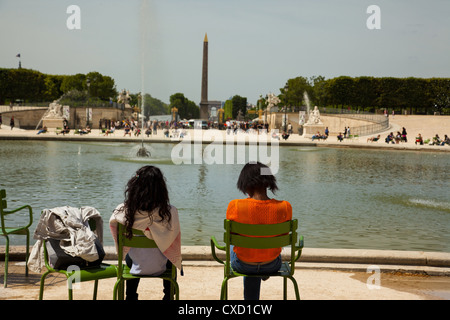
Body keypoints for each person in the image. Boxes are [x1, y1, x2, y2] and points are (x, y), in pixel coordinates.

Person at [109, 166, 182, 300]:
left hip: (134, 265)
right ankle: (168, 295)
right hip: (163, 264)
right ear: (161, 188)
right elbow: (174, 243)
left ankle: (130, 295)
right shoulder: (170, 212)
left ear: (134, 186)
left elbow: (114, 228)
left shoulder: (124, 211)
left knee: (132, 253)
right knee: (170, 255)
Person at [226, 162, 292, 300]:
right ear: (268, 182)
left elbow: (233, 235)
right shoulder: (285, 207)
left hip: (243, 265)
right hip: (272, 264)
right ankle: (261, 271)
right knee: (259, 246)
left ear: (245, 183)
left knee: (240, 246)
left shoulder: (235, 206)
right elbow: (283, 236)